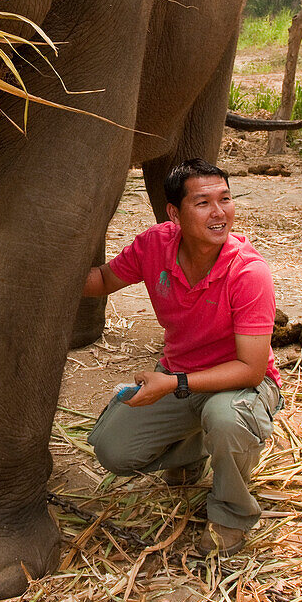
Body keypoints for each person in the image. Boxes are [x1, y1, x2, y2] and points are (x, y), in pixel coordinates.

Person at [84, 158, 282, 557]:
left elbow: (251, 368)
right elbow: (103, 280)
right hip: (179, 375)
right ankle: (198, 448)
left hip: (241, 384)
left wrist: (174, 384)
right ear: (174, 213)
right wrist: (44, 274)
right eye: (203, 202)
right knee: (112, 450)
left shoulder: (248, 272)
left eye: (225, 199)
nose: (219, 212)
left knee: (226, 420)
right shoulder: (155, 245)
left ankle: (231, 516)